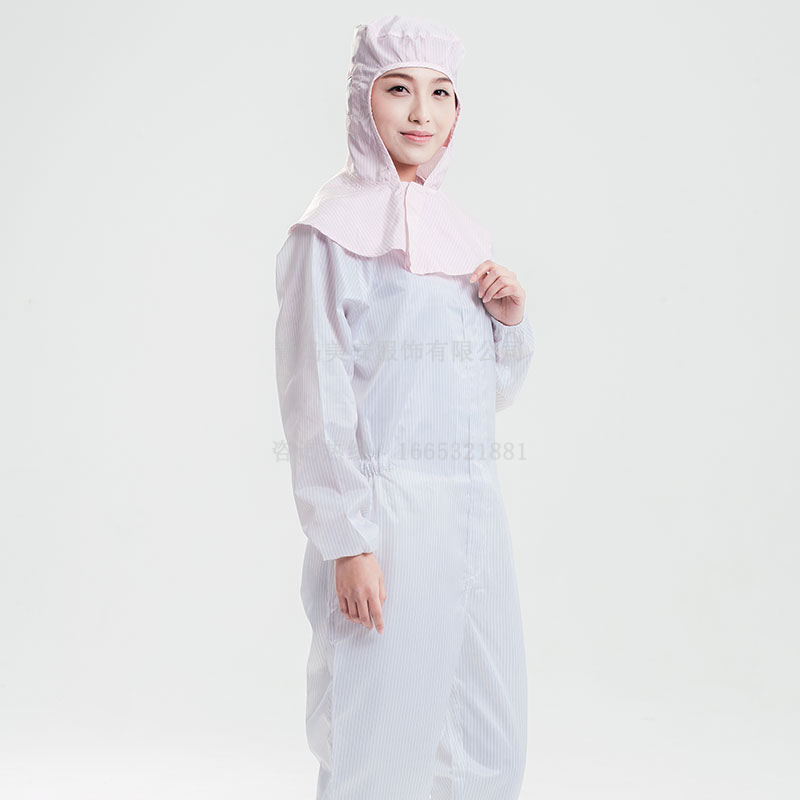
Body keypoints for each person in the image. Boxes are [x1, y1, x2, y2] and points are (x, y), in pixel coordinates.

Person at [274, 14, 535, 800]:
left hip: (474, 514)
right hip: (387, 520)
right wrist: (347, 540)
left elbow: (486, 395)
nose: (422, 112)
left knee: (490, 733)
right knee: (378, 734)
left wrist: (509, 324)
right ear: (364, 99)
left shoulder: (465, 235)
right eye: (399, 90)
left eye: (441, 93)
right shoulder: (328, 234)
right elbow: (314, 396)